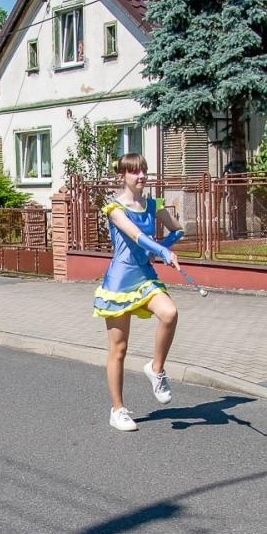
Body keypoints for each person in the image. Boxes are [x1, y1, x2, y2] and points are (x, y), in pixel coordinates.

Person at [91, 153, 182, 432]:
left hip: (145, 276)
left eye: (143, 170)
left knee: (170, 313)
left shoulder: (153, 204)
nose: (141, 176)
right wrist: (160, 249)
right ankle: (118, 410)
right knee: (119, 349)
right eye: (135, 172)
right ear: (123, 176)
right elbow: (137, 236)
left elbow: (178, 230)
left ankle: (156, 369)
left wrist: (163, 247)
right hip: (119, 282)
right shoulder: (114, 208)